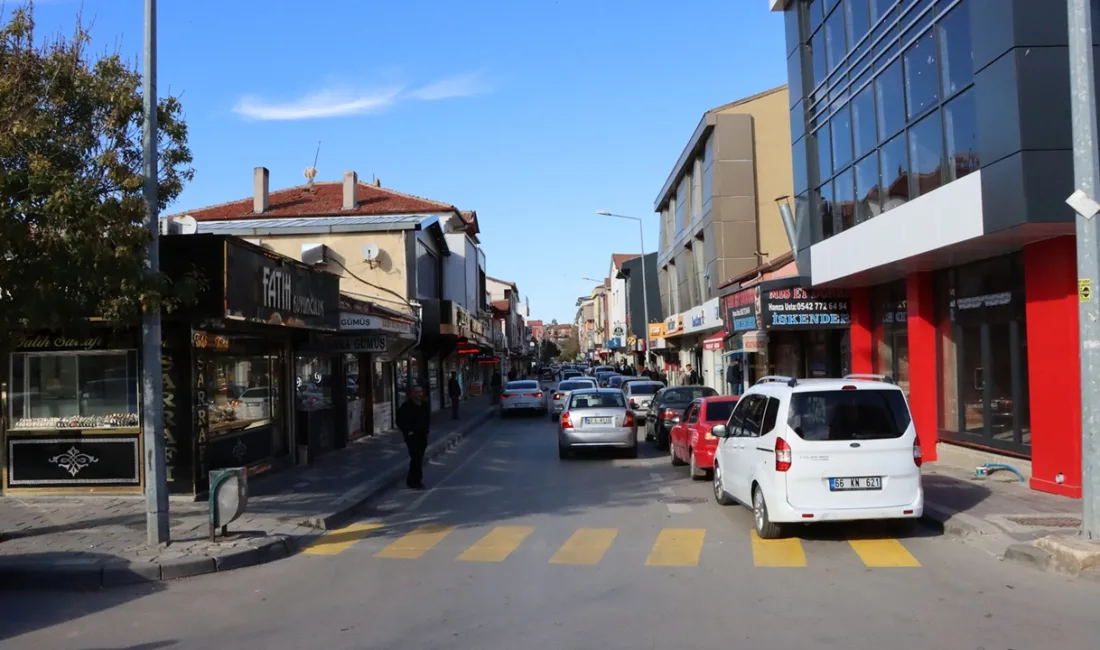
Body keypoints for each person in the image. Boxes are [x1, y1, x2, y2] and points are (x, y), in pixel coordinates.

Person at [396, 385, 431, 489]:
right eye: (417, 392)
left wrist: (426, 431)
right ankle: (416, 480)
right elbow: (399, 421)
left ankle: (411, 479)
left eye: (421, 391)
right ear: (412, 394)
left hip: (422, 435)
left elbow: (427, 420)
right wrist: (407, 431)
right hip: (412, 436)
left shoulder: (425, 405)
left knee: (419, 458)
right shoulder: (406, 406)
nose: (419, 394)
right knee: (415, 457)